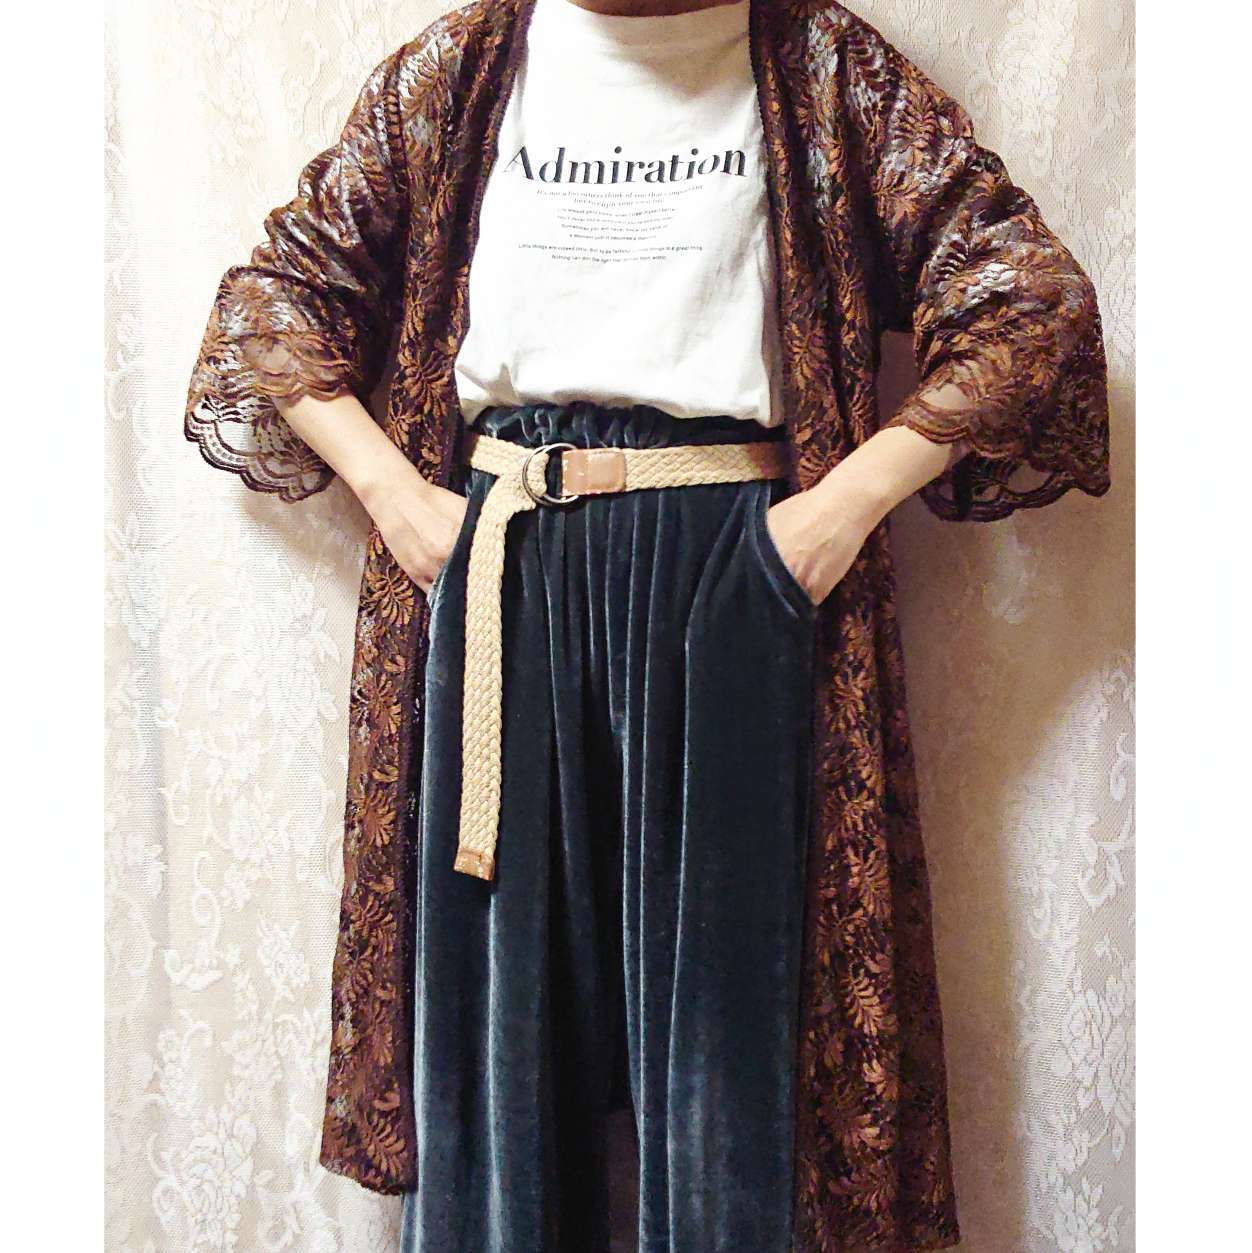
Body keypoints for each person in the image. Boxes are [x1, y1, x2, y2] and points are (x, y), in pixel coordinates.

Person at [183, 0, 1111, 1248]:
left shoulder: (817, 66)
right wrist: (394, 495)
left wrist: (836, 512)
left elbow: (1028, 302)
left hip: (727, 572)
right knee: (500, 1051)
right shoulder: (468, 67)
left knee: (724, 1051)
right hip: (503, 572)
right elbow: (272, 303)